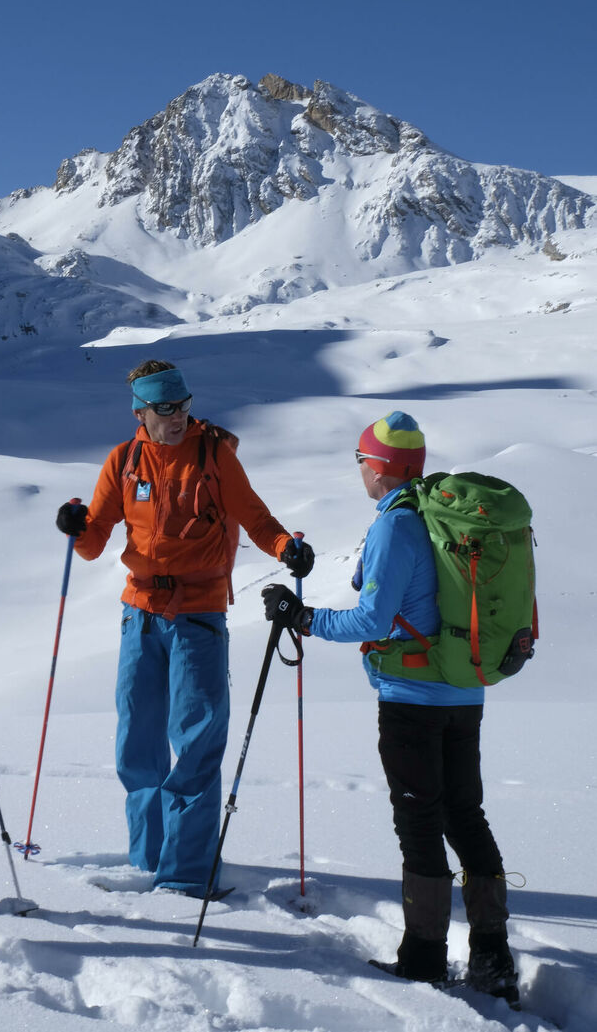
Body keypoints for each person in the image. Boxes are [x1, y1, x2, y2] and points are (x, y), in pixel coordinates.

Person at [262, 410, 518, 1005]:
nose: (359, 472)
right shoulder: (442, 517)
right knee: (466, 816)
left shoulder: (396, 526)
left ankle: (424, 958)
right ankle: (492, 957)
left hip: (412, 698)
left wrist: (302, 618)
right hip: (465, 690)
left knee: (420, 822)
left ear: (376, 467)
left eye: (360, 462)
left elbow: (372, 621)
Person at [56, 359, 313, 897]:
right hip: (140, 613)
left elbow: (256, 516)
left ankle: (184, 875)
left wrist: (287, 547)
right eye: (166, 409)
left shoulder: (214, 455)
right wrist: (76, 528)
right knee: (138, 742)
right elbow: (96, 538)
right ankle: (148, 860)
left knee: (196, 744)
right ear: (141, 412)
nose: (178, 417)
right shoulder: (124, 460)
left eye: (185, 405)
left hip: (198, 615)